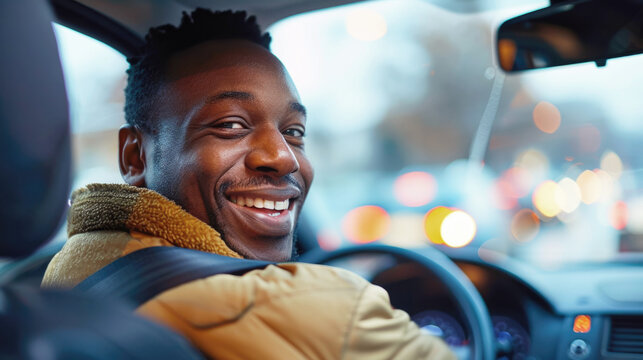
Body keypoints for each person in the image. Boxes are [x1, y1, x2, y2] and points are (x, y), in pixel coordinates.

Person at [42, 9, 455, 359]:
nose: (283, 157)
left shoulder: (73, 267)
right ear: (135, 156)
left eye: (294, 131)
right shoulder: (326, 309)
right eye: (230, 125)